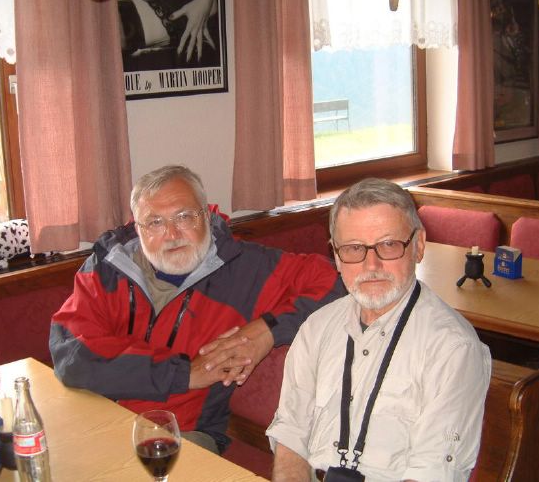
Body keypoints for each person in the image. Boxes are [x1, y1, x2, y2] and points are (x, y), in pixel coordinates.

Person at [50, 165, 346, 454]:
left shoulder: (246, 268)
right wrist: (185, 374)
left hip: (182, 435)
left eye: (184, 217)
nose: (171, 234)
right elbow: (71, 355)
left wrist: (267, 330)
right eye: (154, 222)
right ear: (137, 228)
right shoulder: (107, 267)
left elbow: (337, 281)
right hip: (96, 423)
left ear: (206, 214)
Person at [267, 178, 492, 481]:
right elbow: (290, 434)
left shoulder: (452, 348)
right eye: (353, 248)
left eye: (388, 245)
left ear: (418, 246)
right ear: (336, 256)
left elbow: (430, 474)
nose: (371, 265)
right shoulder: (316, 328)